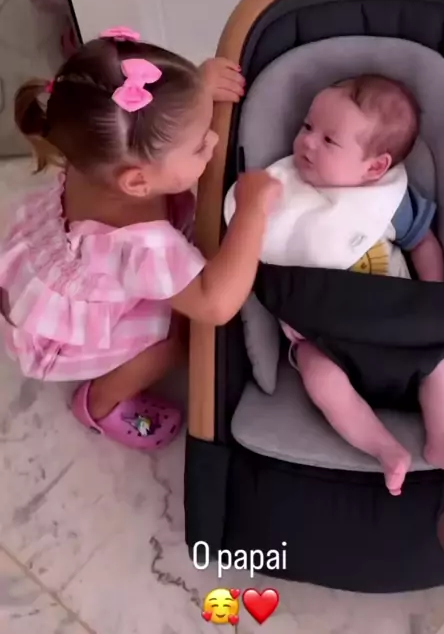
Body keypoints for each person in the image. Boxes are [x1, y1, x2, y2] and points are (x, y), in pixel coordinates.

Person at [0, 26, 281, 450]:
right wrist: (252, 211)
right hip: (60, 338)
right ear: (137, 182)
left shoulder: (98, 148)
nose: (213, 140)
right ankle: (101, 403)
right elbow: (216, 303)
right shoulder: (141, 246)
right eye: (198, 146)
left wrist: (195, 94)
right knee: (172, 342)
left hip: (47, 281)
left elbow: (149, 123)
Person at [226, 74, 444, 495]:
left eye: (329, 140)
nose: (307, 142)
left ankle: (441, 436)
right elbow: (249, 247)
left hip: (401, 328)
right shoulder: (281, 192)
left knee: (441, 359)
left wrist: (432, 297)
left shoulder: (388, 201)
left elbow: (424, 244)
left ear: (375, 167)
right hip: (327, 337)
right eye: (307, 126)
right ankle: (382, 446)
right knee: (316, 371)